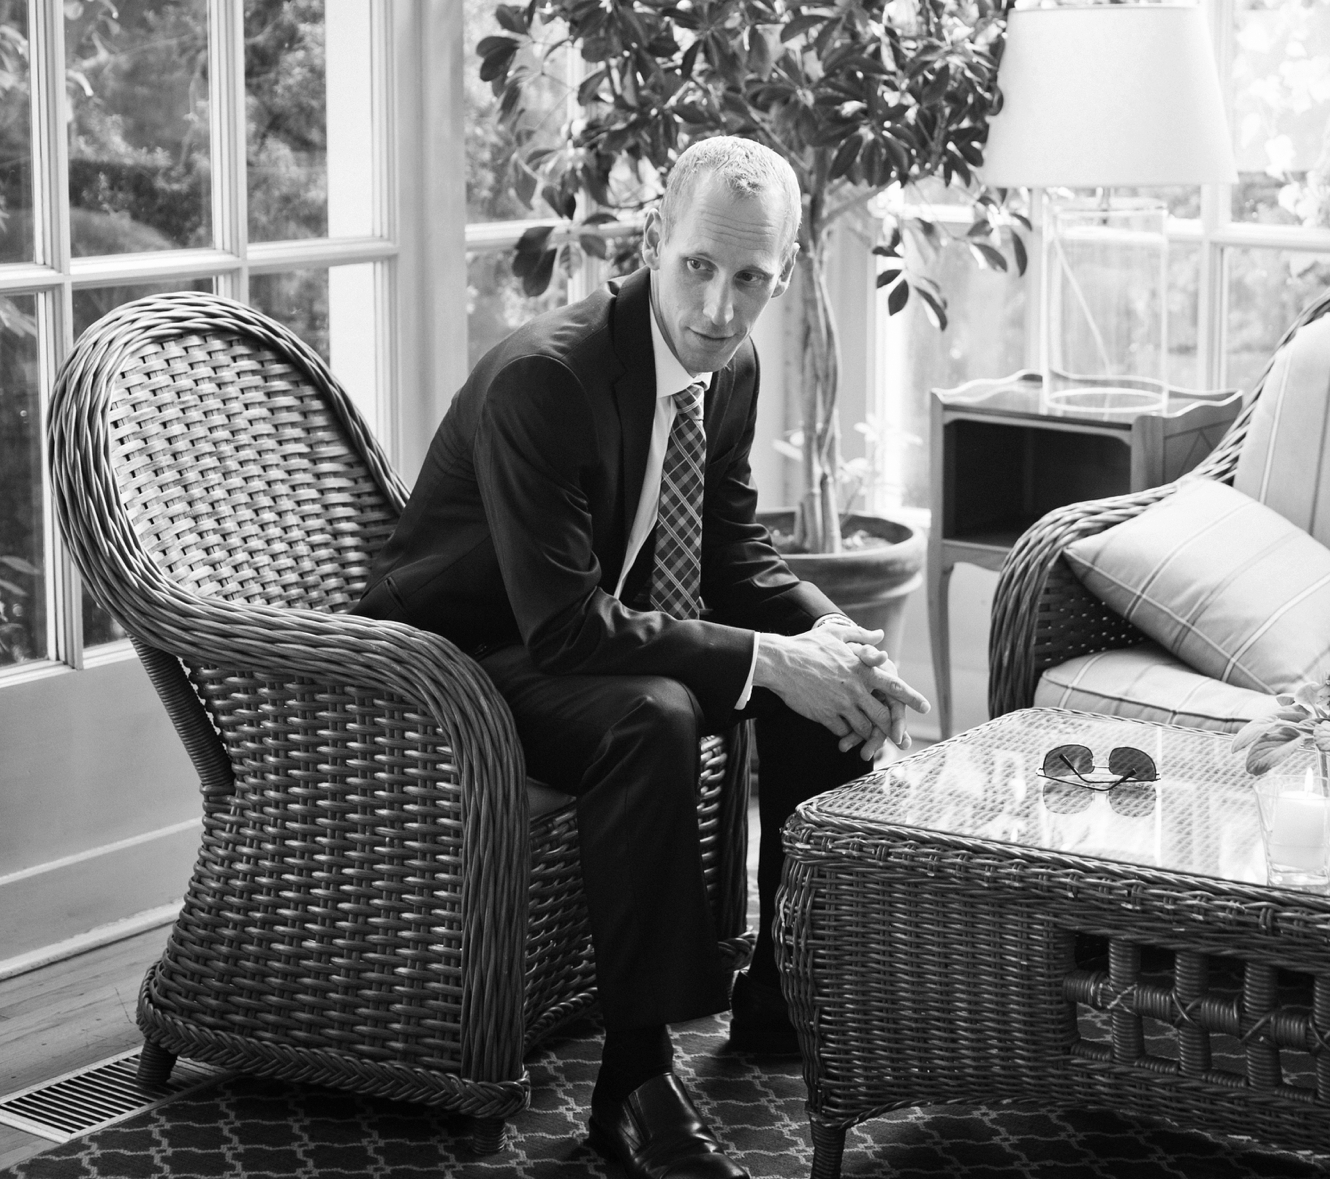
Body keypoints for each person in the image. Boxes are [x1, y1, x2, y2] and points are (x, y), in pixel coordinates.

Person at [355, 136, 928, 1179]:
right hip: (455, 663)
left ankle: (779, 998)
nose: (717, 309)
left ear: (782, 272)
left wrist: (834, 646)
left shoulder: (731, 365)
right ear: (654, 241)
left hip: (586, 630)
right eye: (698, 269)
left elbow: (730, 553)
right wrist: (773, 655)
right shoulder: (548, 380)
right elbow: (565, 628)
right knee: (654, 713)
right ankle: (633, 1076)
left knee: (814, 683)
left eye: (749, 279)